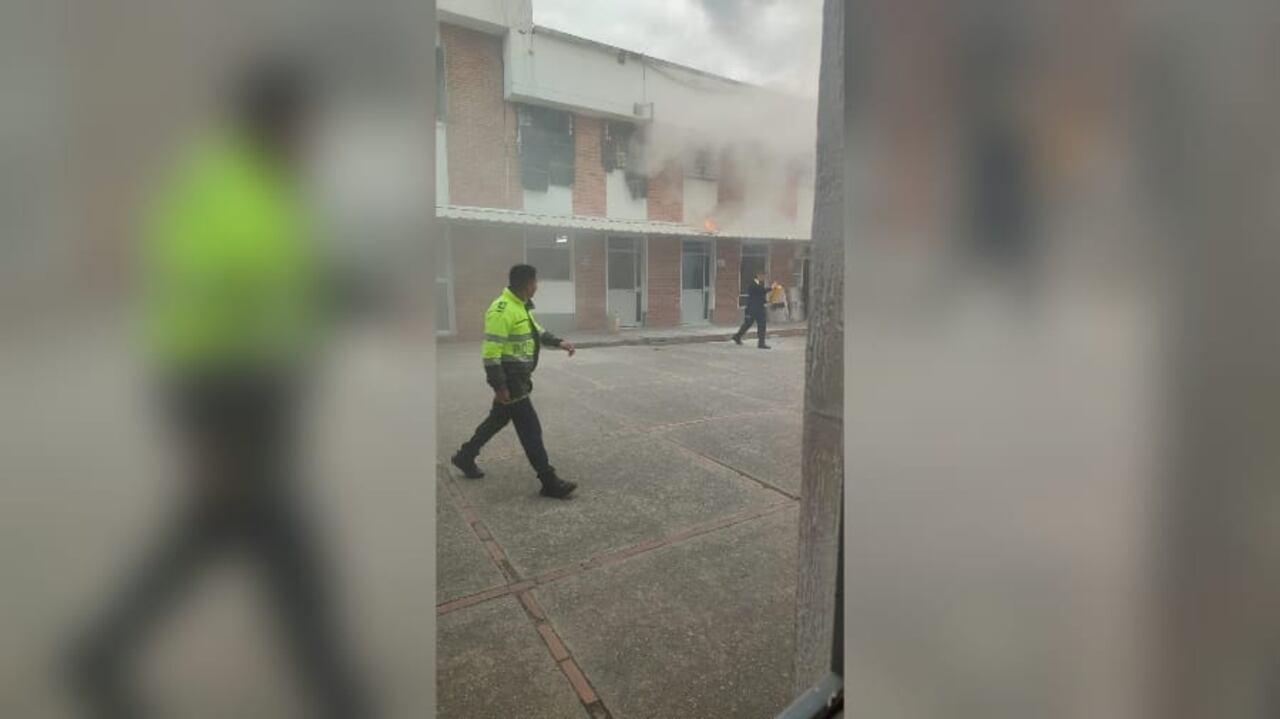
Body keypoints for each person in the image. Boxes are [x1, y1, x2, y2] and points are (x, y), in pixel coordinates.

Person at [66, 58, 371, 718]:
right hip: (231, 412)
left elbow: (294, 282)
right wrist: (201, 435)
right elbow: (183, 324)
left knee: (200, 544)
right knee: (292, 567)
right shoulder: (217, 193)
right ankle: (340, 695)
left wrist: (355, 295)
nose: (314, 137)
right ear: (275, 121)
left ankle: (98, 649)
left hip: (264, 406)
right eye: (306, 123)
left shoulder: (275, 190)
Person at [451, 264, 579, 499]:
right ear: (528, 284)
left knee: (497, 420)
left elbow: (537, 332)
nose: (537, 287)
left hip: (519, 377)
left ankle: (465, 456)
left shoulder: (522, 306)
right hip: (510, 381)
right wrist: (499, 386)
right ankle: (548, 481)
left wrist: (560, 342)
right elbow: (491, 353)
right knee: (531, 429)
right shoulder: (502, 310)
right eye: (536, 283)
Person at [732, 270, 772, 349]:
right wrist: (771, 288)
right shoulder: (753, 283)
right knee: (747, 324)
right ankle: (737, 336)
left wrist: (766, 301)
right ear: (758, 275)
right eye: (763, 276)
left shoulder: (759, 284)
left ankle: (761, 343)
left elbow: (759, 295)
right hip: (752, 308)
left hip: (759, 308)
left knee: (762, 325)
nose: (764, 278)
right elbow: (760, 291)